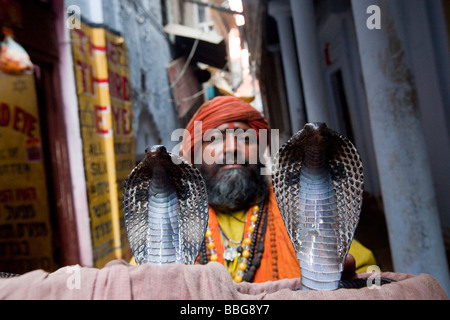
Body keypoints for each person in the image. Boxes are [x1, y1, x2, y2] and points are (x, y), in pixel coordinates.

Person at [130, 96, 376, 283]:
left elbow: (366, 270)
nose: (233, 148)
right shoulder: (172, 221)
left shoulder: (299, 210)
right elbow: (137, 282)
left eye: (246, 138)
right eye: (215, 139)